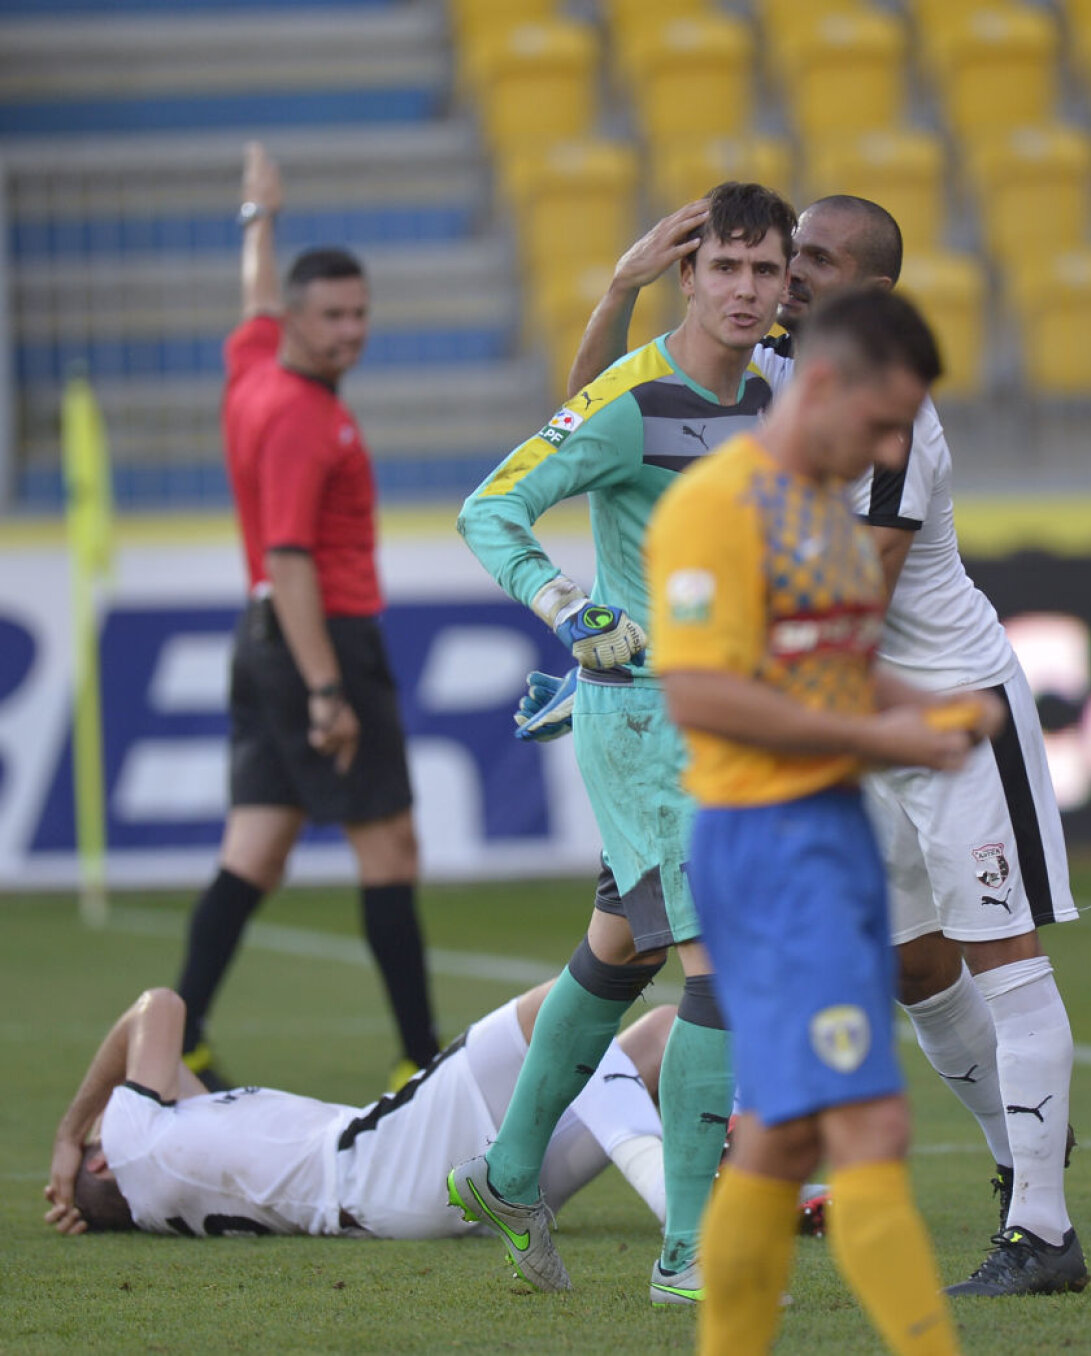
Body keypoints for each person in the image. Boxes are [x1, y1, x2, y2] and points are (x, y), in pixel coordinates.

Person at [566, 193, 1089, 1298]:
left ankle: (1043, 1230)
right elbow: (595, 417)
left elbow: (853, 598)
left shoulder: (896, 417)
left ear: (875, 291)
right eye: (784, 253)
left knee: (1003, 951)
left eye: (814, 257)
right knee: (912, 965)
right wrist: (622, 291)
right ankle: (1022, 1162)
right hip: (861, 722)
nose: (787, 274)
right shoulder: (773, 370)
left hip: (946, 707)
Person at [446, 181, 798, 1302]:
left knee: (618, 958)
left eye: (765, 271)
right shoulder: (635, 400)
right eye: (726, 268)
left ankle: (507, 1176)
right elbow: (491, 507)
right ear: (687, 276)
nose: (745, 289)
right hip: (651, 725)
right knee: (727, 974)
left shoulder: (775, 392)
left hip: (730, 725)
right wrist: (569, 607)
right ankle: (692, 1254)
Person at [646, 288, 972, 1356]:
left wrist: (916, 710)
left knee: (784, 1138)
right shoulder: (716, 507)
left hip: (826, 837)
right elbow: (699, 692)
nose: (892, 448)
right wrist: (886, 740)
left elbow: (836, 669)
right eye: (884, 423)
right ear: (822, 385)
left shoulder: (824, 509)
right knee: (869, 1123)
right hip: (767, 844)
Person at [173, 142, 438, 1093]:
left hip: (263, 642)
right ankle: (422, 1059)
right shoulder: (298, 418)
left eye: (362, 313)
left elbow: (250, 301)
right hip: (318, 639)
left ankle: (182, 1035)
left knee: (256, 847)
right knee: (390, 848)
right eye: (333, 316)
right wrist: (329, 687)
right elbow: (290, 560)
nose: (353, 331)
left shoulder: (257, 367)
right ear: (298, 319)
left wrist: (260, 218)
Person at [44, 985, 673, 1242]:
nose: (122, 1098)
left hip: (409, 1201)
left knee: (658, 1039)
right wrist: (72, 1134)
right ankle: (679, 1211)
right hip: (380, 1157)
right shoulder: (133, 1147)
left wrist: (85, 1199)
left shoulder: (163, 1170)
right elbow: (158, 1006)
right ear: (105, 1156)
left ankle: (740, 1179)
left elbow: (163, 1071)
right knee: (569, 1001)